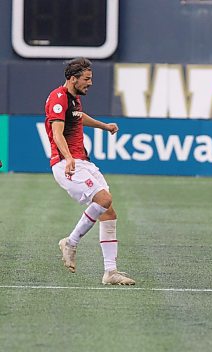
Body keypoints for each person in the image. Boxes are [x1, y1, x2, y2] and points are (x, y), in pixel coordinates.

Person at [44, 57, 135, 285]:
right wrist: (67, 158)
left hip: (83, 161)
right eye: (86, 79)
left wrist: (104, 126)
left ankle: (110, 272)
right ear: (72, 79)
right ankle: (71, 242)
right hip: (66, 163)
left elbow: (79, 117)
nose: (90, 83)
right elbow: (57, 132)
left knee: (109, 212)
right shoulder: (58, 98)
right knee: (103, 199)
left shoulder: (74, 100)